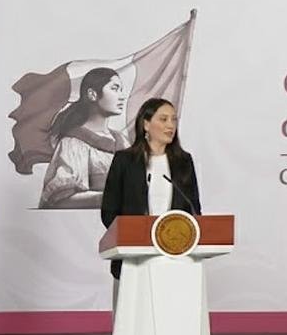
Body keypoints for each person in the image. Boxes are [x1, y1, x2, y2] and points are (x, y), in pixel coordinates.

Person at [100, 98, 201, 286]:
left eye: (173, 119)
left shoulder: (184, 162)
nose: (170, 125)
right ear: (146, 124)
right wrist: (132, 237)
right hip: (133, 258)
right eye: (163, 119)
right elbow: (109, 211)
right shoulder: (125, 160)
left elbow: (194, 210)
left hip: (176, 258)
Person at [39, 67, 127, 208]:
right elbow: (60, 200)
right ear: (92, 94)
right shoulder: (73, 143)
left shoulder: (123, 141)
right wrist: (109, 198)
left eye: (121, 90)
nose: (122, 96)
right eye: (114, 89)